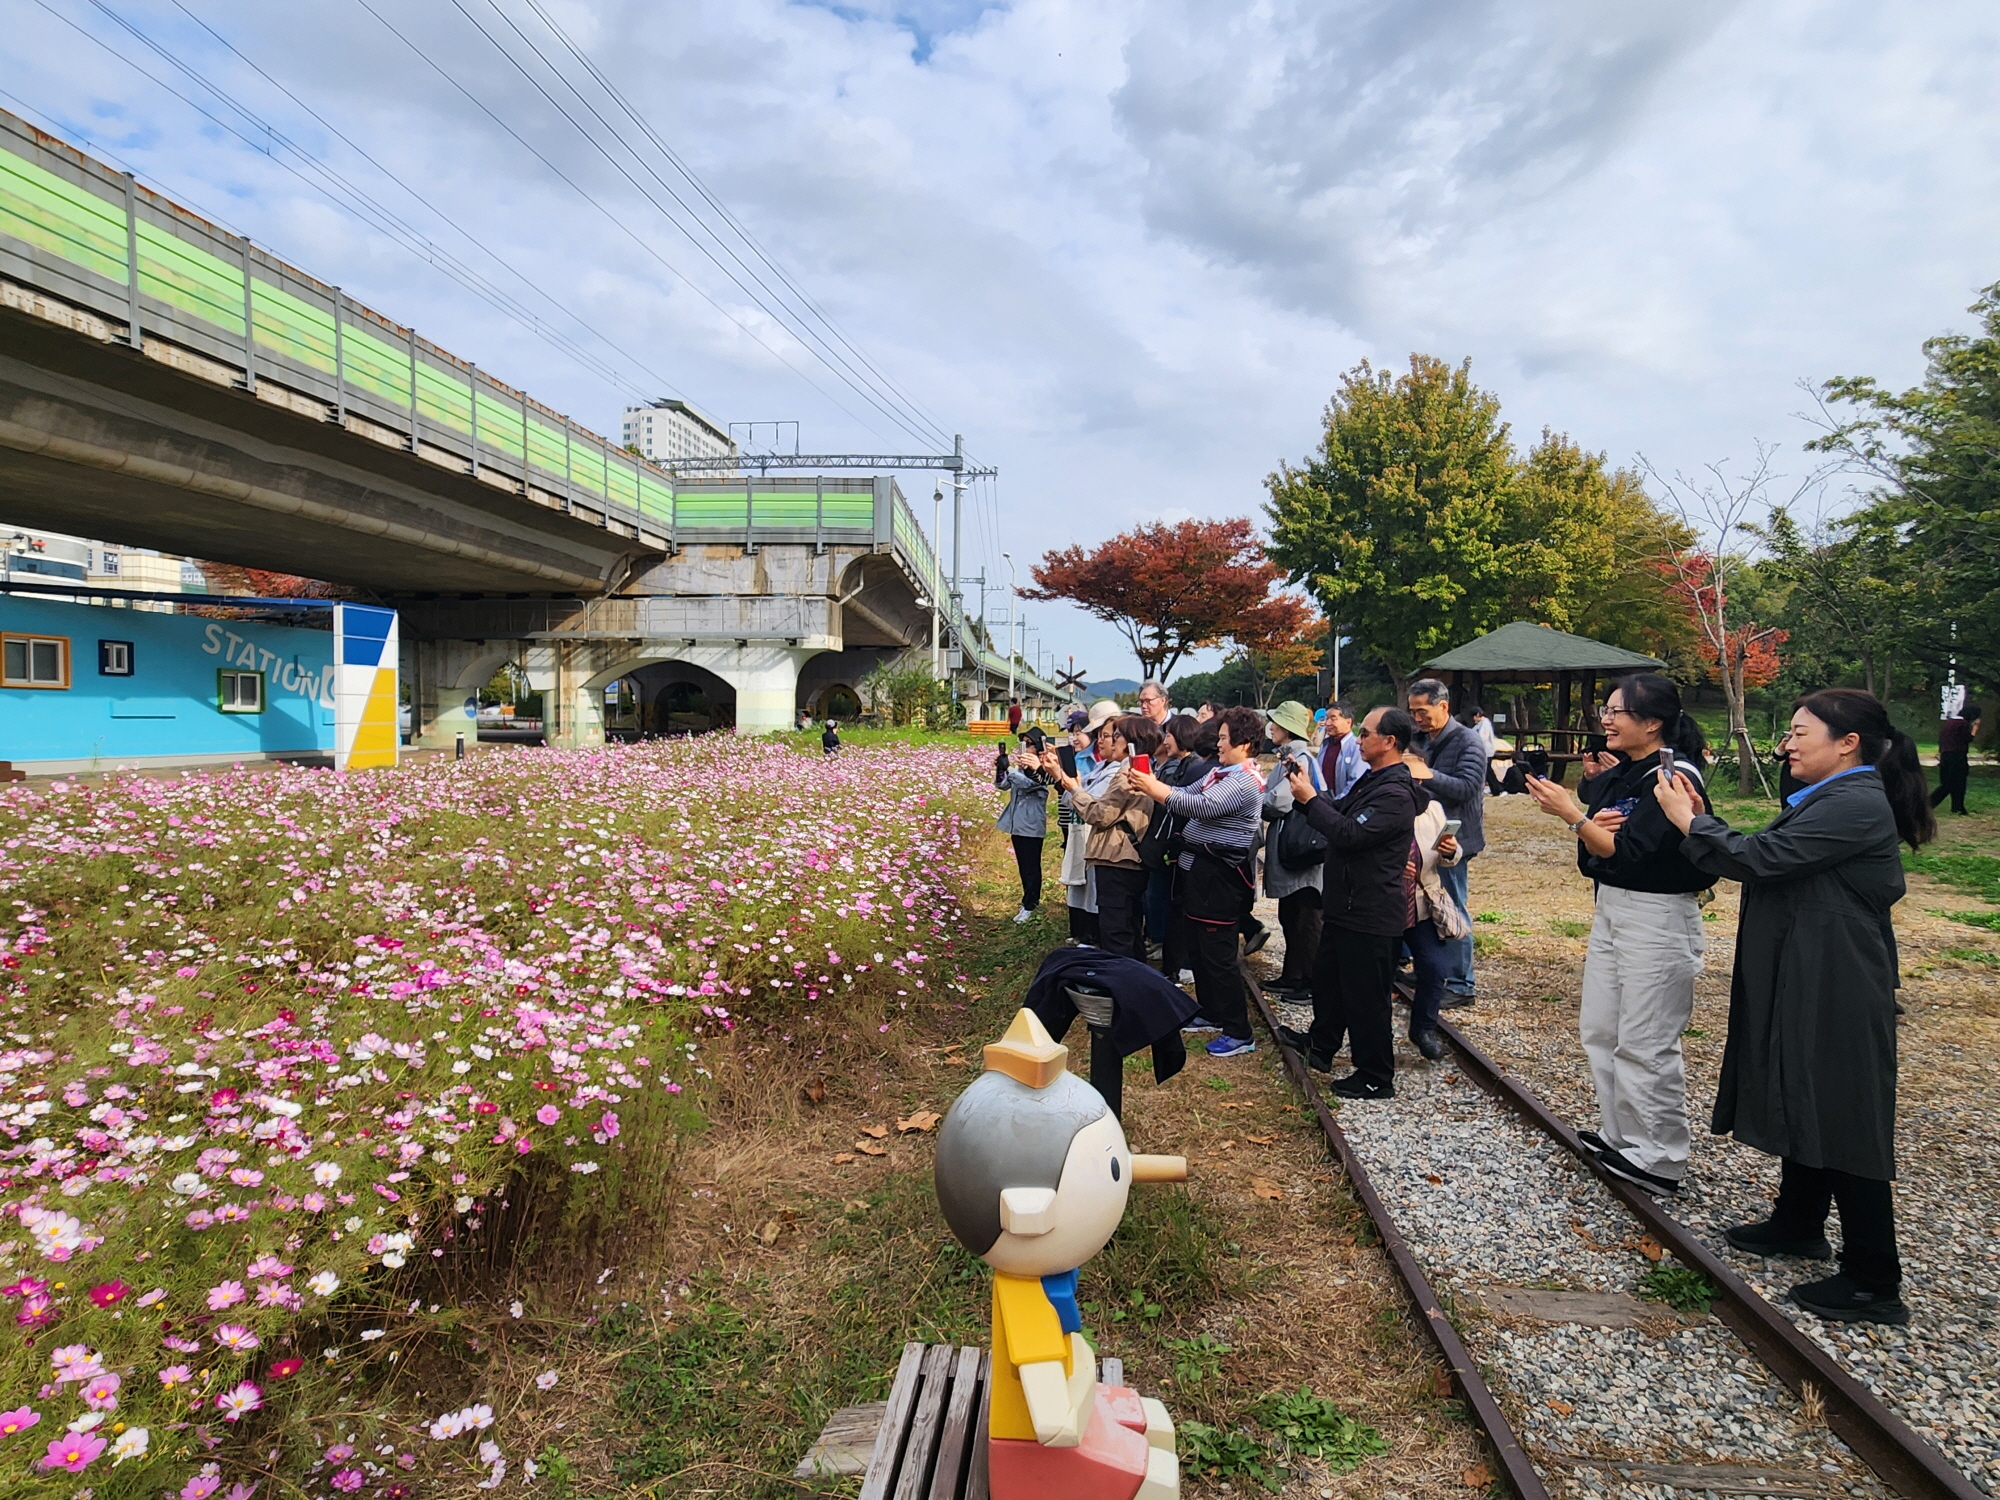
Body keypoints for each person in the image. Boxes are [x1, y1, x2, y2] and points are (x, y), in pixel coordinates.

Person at [1658, 689, 1934, 1326]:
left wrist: (1689, 822)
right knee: (1805, 1084)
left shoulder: (1857, 802)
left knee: (1843, 1105)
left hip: (1838, 978)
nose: (1787, 743)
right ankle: (1799, 1222)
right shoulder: (1830, 798)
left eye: (1799, 732)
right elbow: (1761, 853)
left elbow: (1763, 859)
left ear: (1848, 744)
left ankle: (1873, 1278)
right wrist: (1704, 821)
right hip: (1811, 969)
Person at [1522, 673, 1714, 1195]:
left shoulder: (1675, 779)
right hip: (1614, 908)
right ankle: (1624, 1136)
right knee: (1601, 1028)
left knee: (1647, 1040)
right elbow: (1597, 853)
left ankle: (1661, 1156)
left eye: (1617, 711)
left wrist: (1570, 815)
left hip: (1658, 918)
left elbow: (1627, 852)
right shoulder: (1626, 772)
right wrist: (1585, 821)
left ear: (1652, 723)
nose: (1605, 719)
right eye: (1605, 710)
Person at [1274, 707, 1421, 1099]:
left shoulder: (1395, 794)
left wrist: (1309, 800)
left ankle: (1375, 1074)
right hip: (1345, 906)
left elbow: (1348, 834)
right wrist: (1310, 796)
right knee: (1330, 983)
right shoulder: (1373, 781)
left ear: (1389, 742)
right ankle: (1320, 1047)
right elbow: (1339, 811)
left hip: (1371, 912)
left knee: (1367, 1000)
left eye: (1367, 732)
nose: (1358, 738)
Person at [1126, 705, 1266, 1058]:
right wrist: (1155, 787)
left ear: (1244, 743)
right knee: (1200, 948)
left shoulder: (1244, 781)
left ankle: (1239, 1030)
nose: (1218, 745)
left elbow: (1199, 806)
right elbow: (1186, 795)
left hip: (1220, 875)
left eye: (1223, 738)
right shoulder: (1222, 772)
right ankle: (1212, 1011)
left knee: (1218, 954)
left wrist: (1153, 787)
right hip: (1200, 870)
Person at [1046, 715, 1161, 962]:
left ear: (1133, 742)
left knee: (1116, 931)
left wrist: (1073, 789)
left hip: (1118, 857)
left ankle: (1121, 989)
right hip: (1127, 857)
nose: (1110, 741)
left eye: (1116, 736)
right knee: (1129, 928)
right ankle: (1136, 985)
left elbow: (1099, 814)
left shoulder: (1127, 773)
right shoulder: (1140, 769)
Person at [1406, 679, 1488, 1006]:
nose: (1417, 718)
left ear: (1443, 706)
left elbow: (1468, 787)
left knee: (1451, 908)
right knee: (1425, 907)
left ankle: (1460, 982)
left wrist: (1426, 774)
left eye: (1422, 711)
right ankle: (1430, 970)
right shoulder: (1423, 739)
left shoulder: (1469, 741)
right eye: (1412, 712)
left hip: (1454, 840)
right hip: (1425, 838)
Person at [1260, 700, 1324, 1000]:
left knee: (1305, 919)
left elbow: (1278, 802)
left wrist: (1258, 799)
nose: (1271, 727)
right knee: (1291, 916)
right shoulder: (1292, 756)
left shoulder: (1299, 759)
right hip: (1294, 849)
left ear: (1287, 728)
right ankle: (1293, 975)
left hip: (1302, 853)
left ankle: (1309, 981)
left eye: (1276, 722)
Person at [1403, 791, 1465, 1060]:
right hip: (1384, 904)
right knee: (1378, 972)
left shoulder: (1433, 808)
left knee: (1434, 967)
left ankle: (1424, 1029)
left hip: (1423, 901)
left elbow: (1451, 854)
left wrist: (1451, 851)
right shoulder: (1379, 801)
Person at [997, 732, 1052, 924]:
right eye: (1023, 743)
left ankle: (1031, 904)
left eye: (1029, 744)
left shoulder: (1042, 770)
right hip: (1017, 824)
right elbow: (1002, 785)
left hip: (1031, 826)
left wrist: (1010, 770)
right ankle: (1026, 902)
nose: (1025, 746)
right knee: (1023, 867)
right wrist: (1001, 769)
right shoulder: (1020, 769)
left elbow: (1029, 785)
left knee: (1031, 868)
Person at [1931, 702, 1979, 814]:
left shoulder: (1950, 723)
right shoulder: (1962, 724)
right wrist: (1975, 728)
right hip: (1957, 756)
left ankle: (1958, 807)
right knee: (1954, 783)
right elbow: (1968, 738)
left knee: (1950, 783)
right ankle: (1929, 804)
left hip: (1946, 755)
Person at [1318, 699, 1364, 800]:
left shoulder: (1357, 748)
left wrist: (1337, 803)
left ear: (1348, 722)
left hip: (1343, 807)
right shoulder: (1325, 745)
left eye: (1333, 719)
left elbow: (1355, 783)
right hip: (1322, 805)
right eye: (1326, 718)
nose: (1327, 723)